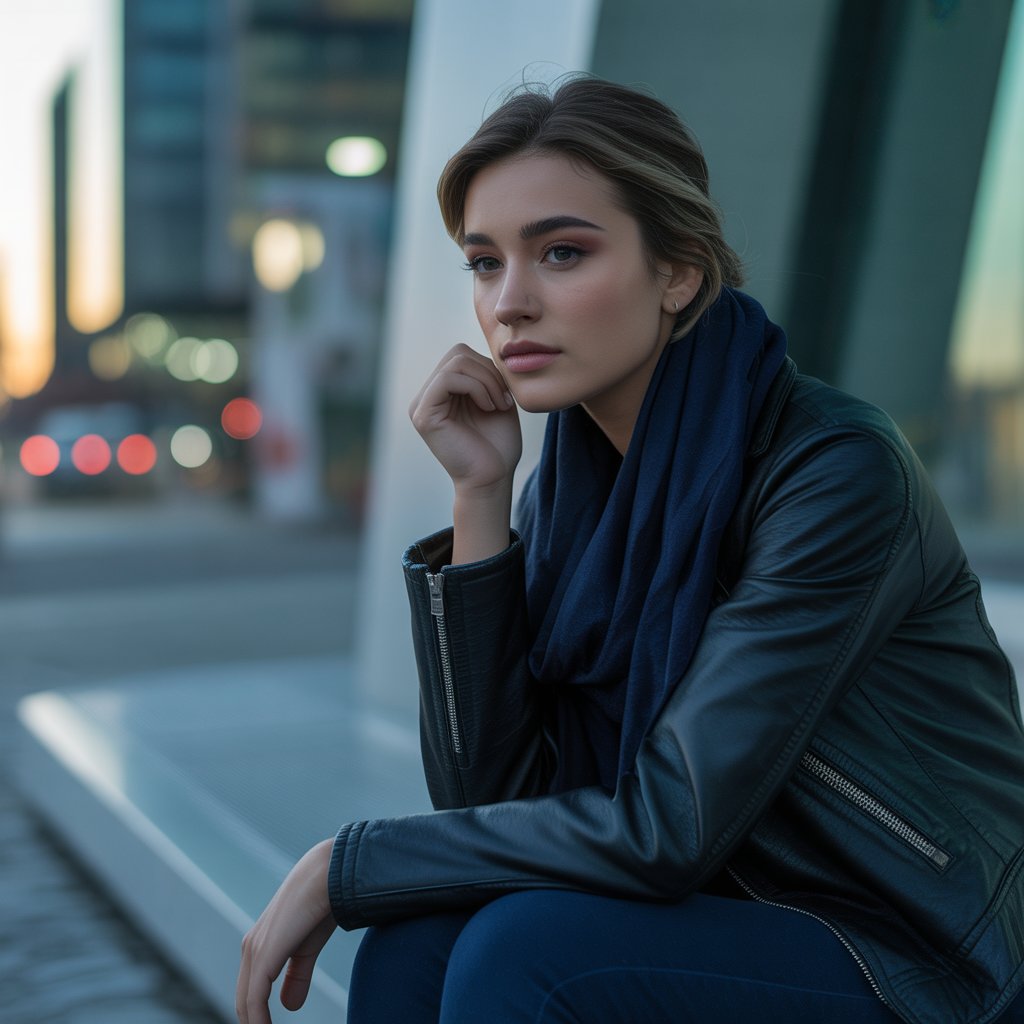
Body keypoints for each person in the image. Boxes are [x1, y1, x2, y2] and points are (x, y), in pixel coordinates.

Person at [236, 76, 1024, 1024]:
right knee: (419, 936)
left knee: (528, 952)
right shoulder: (580, 483)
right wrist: (481, 496)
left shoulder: (833, 472)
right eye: (485, 264)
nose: (511, 303)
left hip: (912, 950)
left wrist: (350, 864)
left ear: (679, 271)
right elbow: (491, 799)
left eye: (561, 252)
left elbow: (668, 825)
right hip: (728, 908)